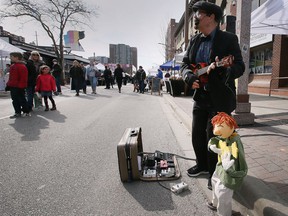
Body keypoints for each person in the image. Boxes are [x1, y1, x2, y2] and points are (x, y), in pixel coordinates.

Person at [180, 1, 245, 190]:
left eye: (199, 14)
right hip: (200, 96)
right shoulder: (195, 40)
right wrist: (188, 76)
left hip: (220, 98)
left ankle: (214, 172)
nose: (195, 18)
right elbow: (185, 65)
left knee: (214, 138)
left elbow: (239, 66)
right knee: (197, 134)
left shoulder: (229, 39)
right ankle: (202, 165)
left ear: (211, 17)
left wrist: (227, 71)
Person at [207, 112, 248, 216]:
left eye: (220, 126)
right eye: (216, 126)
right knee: (214, 181)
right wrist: (211, 146)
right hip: (220, 167)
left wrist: (231, 170)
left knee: (223, 193)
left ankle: (224, 214)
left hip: (229, 171)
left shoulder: (235, 140)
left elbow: (241, 161)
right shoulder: (224, 136)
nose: (216, 131)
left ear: (230, 127)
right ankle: (215, 204)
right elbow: (215, 139)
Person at [6, 52, 30, 118]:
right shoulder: (13, 66)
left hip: (19, 86)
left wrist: (21, 86)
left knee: (22, 99)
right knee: (15, 100)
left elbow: (23, 78)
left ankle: (26, 111)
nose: (10, 58)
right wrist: (8, 84)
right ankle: (17, 112)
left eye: (11, 56)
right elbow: (11, 77)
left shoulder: (22, 66)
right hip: (13, 86)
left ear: (16, 57)